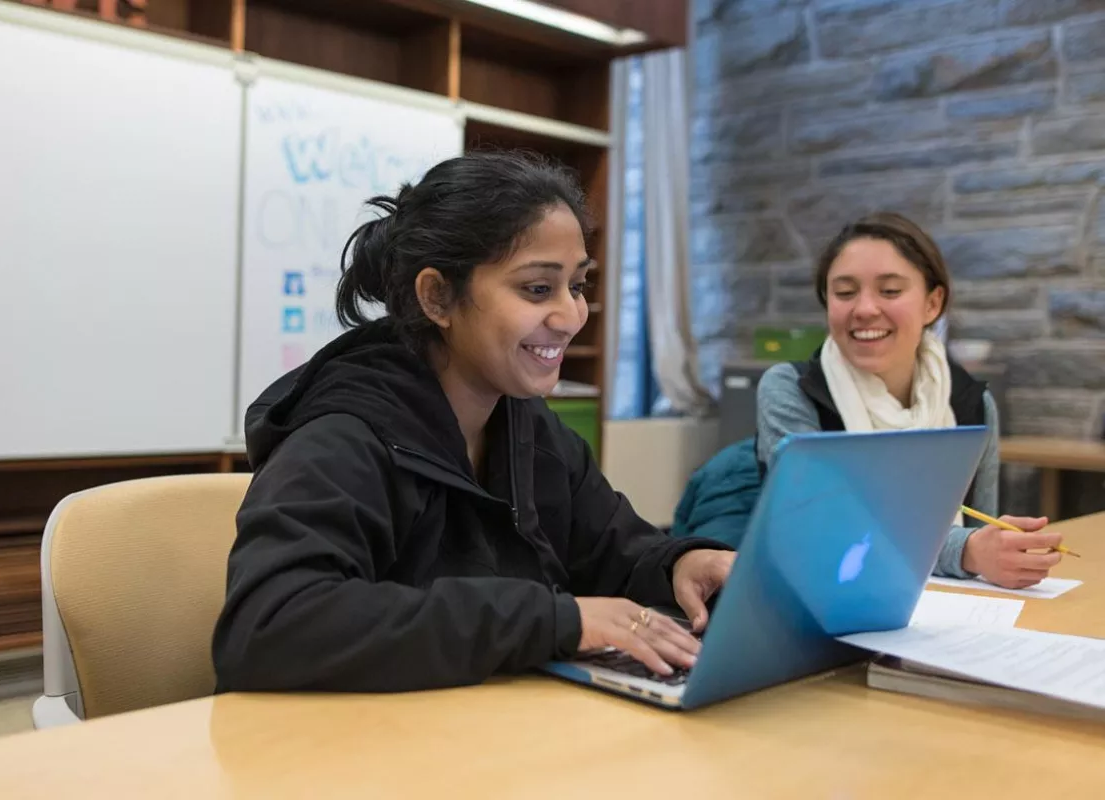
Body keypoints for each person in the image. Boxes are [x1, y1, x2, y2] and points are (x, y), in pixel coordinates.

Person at [212, 151, 734, 694]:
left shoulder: (527, 426)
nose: (570, 316)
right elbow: (269, 626)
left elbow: (613, 550)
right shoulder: (342, 437)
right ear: (437, 296)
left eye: (577, 286)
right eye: (537, 289)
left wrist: (679, 564)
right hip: (345, 757)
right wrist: (554, 620)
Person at [755, 211, 1063, 590]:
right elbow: (818, 527)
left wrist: (1003, 551)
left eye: (890, 291)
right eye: (845, 292)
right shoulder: (791, 389)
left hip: (945, 610)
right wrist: (963, 551)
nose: (865, 309)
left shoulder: (974, 405)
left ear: (933, 304)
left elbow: (982, 535)